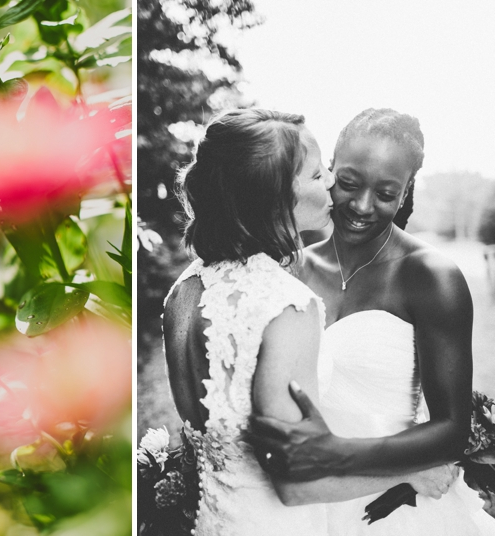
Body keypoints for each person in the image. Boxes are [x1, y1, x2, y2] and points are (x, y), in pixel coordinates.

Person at [162, 108, 455, 535]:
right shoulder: (286, 304)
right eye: (318, 177)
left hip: (215, 520)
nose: (333, 184)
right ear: (275, 195)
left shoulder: (183, 291)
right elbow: (296, 485)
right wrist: (407, 474)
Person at [249, 108, 495, 534]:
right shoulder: (290, 267)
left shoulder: (431, 277)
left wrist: (336, 452)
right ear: (328, 174)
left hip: (396, 505)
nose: (362, 206)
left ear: (405, 193)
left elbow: (452, 430)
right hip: (301, 500)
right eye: (348, 183)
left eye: (385, 193)